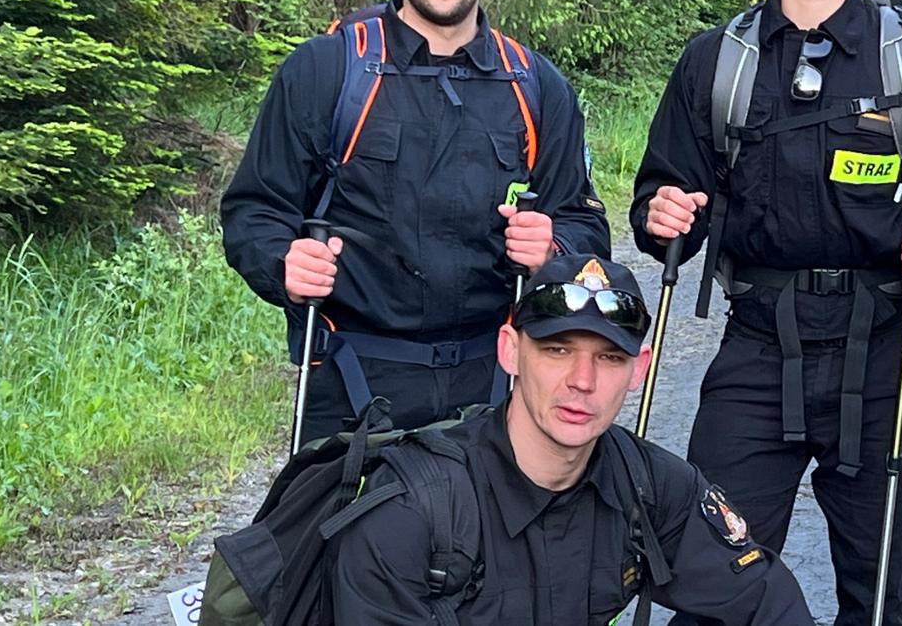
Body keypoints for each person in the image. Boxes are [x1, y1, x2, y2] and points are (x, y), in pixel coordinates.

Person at [630, 0, 902, 626]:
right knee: (710, 585)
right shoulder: (716, 64)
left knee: (878, 597)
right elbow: (662, 197)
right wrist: (661, 216)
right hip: (756, 348)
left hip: (882, 352)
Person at [222, 0, 609, 443]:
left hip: (497, 384)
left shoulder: (535, 87)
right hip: (352, 383)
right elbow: (255, 210)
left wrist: (552, 249)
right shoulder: (328, 70)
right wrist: (284, 263)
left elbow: (583, 222)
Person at [330, 254, 814, 624]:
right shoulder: (412, 511)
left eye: (609, 357)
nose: (582, 381)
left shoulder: (651, 486)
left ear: (639, 371)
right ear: (510, 351)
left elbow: (767, 600)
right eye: (557, 350)